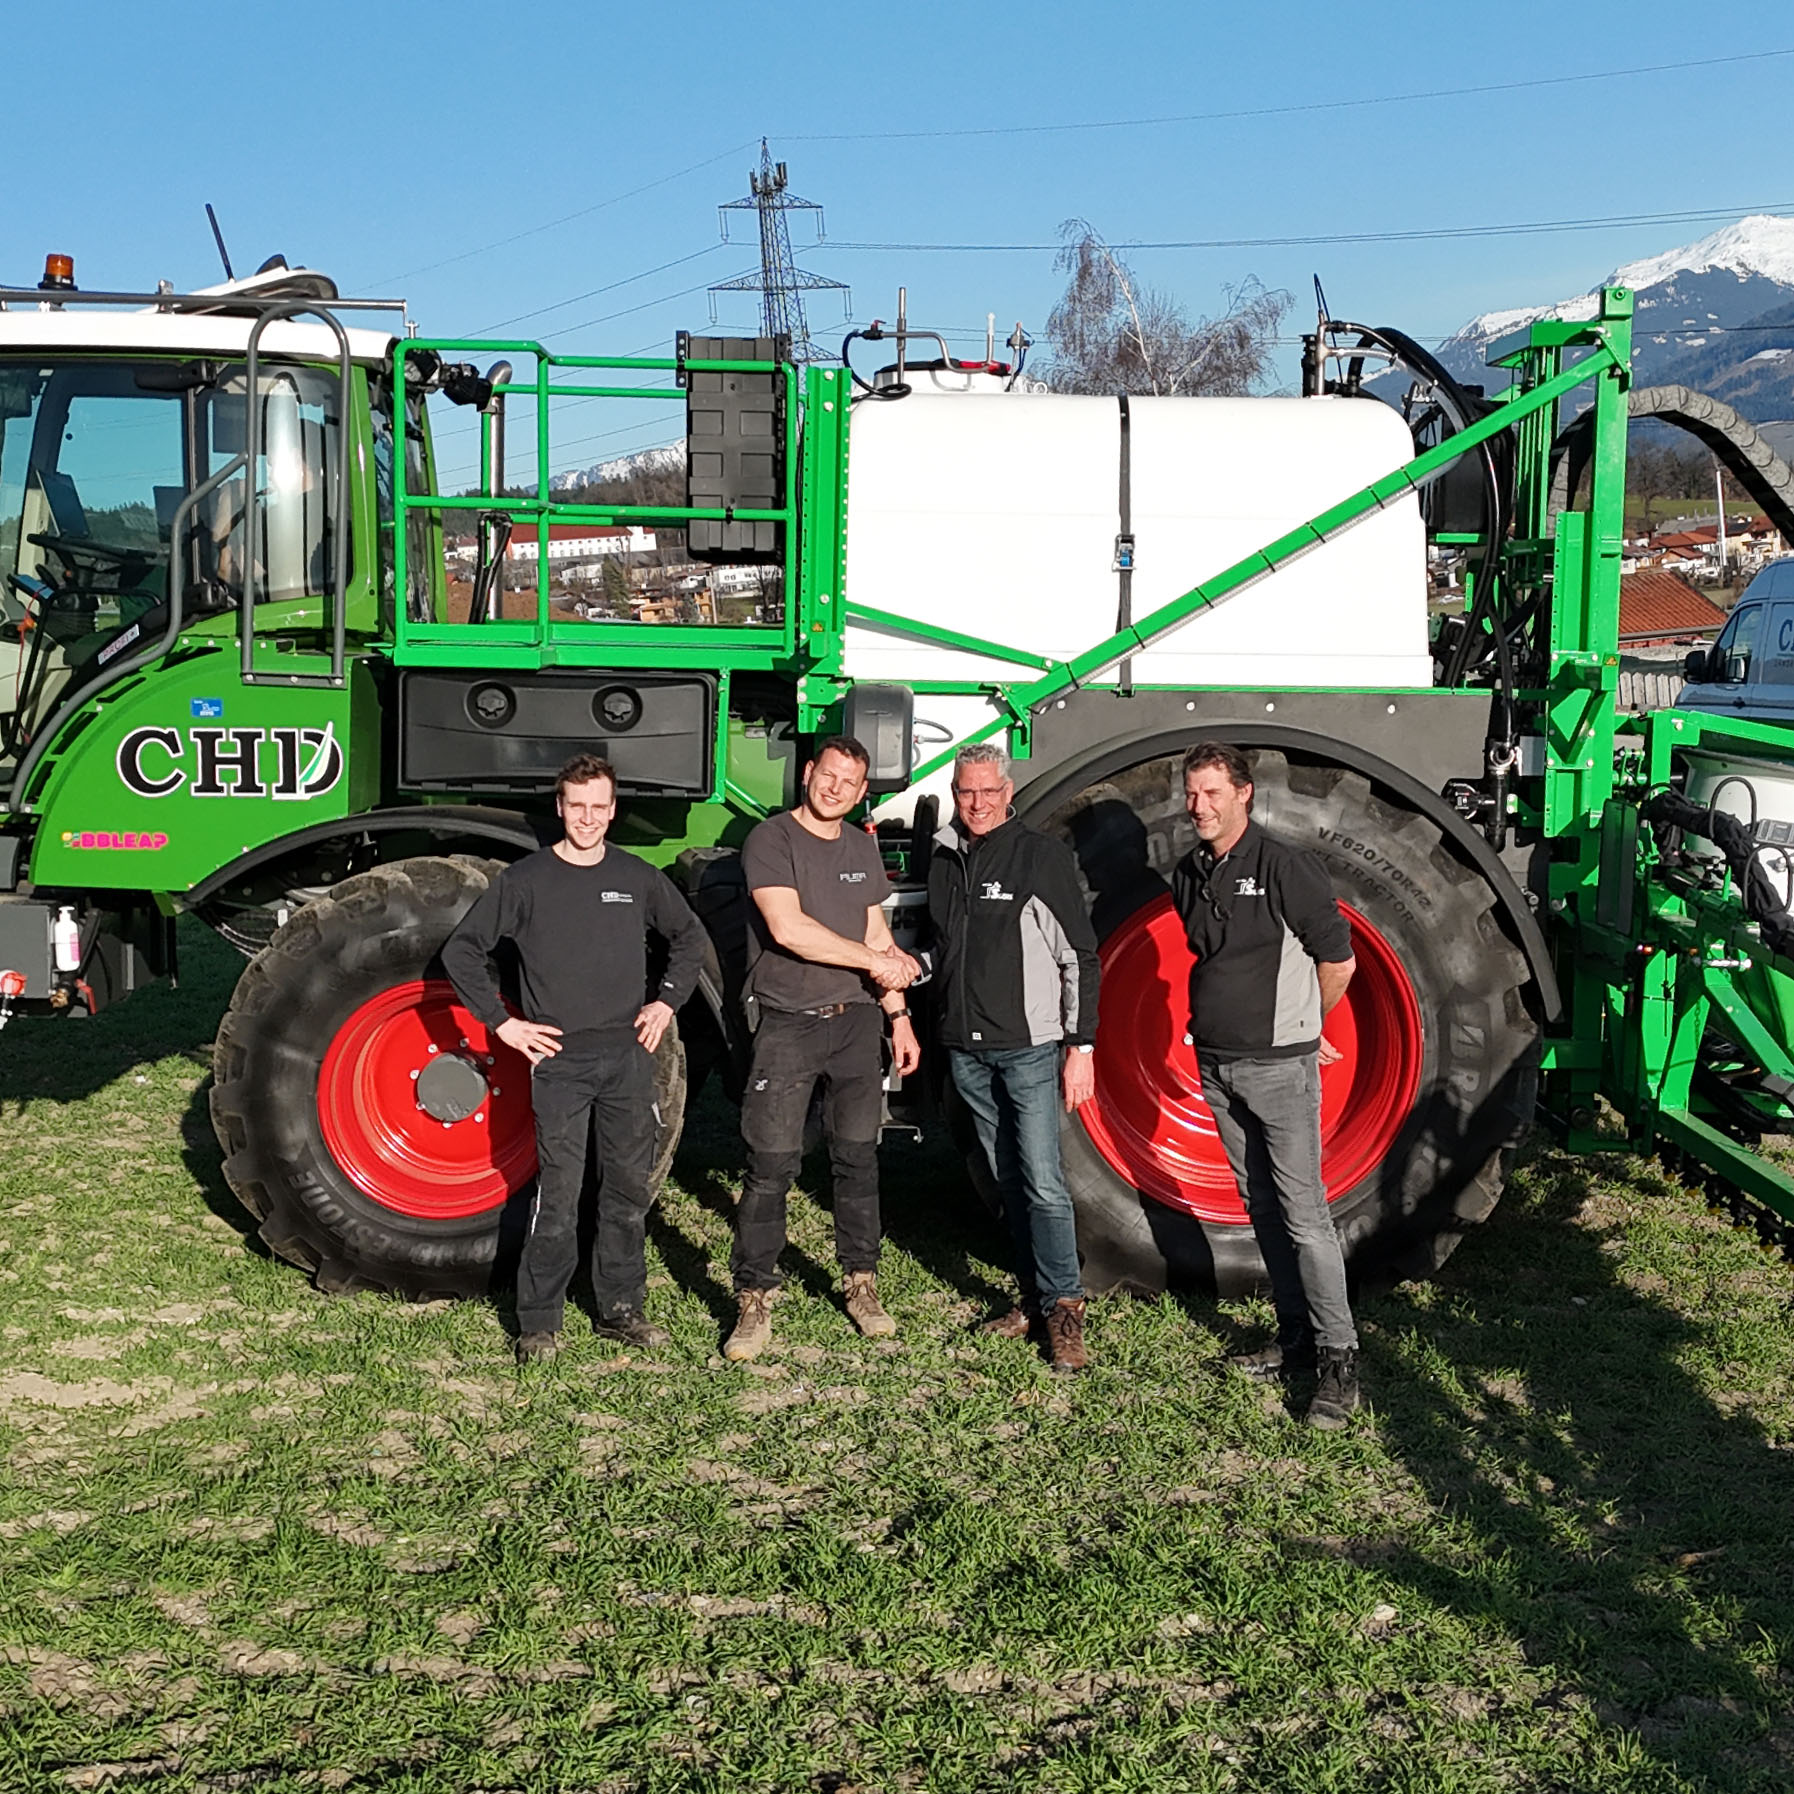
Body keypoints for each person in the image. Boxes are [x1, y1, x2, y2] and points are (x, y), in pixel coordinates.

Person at [443, 751, 706, 1364]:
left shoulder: (637, 877)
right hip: (559, 1061)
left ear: (613, 811)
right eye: (576, 806)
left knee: (625, 1189)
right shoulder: (525, 881)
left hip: (626, 1054)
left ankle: (621, 1309)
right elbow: (464, 952)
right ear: (560, 807)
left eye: (598, 807)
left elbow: (689, 937)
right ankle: (539, 1321)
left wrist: (666, 1003)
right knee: (559, 1194)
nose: (587, 818)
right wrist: (505, 1025)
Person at [1170, 741, 1362, 1428]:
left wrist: (1308, 1025)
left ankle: (1341, 1361)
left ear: (1244, 794)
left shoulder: (1286, 865)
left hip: (1280, 1067)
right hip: (1216, 1064)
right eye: (1192, 793)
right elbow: (1209, 956)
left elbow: (1337, 959)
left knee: (1306, 1216)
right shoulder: (1188, 872)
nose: (1199, 806)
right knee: (1261, 1209)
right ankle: (1296, 1338)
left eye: (1213, 792)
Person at [724, 736, 922, 1362]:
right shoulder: (772, 839)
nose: (835, 788)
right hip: (788, 1022)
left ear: (864, 791)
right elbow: (789, 929)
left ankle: (860, 1281)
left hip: (857, 1023)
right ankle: (754, 1294)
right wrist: (877, 962)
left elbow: (874, 931)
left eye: (849, 782)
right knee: (771, 1164)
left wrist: (899, 1012)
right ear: (809, 774)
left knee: (858, 1158)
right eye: (827, 775)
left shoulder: (863, 846)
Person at [924, 742, 1101, 1372]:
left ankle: (1066, 1310)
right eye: (965, 792)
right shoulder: (945, 858)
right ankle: (1032, 1295)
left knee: (1044, 1181)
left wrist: (1080, 1048)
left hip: (1027, 1047)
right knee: (1006, 1181)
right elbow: (945, 950)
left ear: (1009, 791)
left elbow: (1078, 955)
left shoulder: (1038, 857)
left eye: (987, 792)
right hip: (967, 1051)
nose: (975, 804)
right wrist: (906, 968)